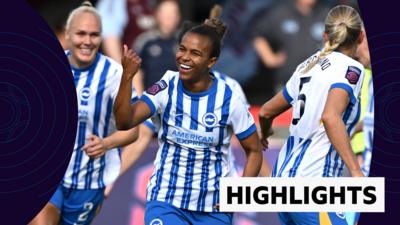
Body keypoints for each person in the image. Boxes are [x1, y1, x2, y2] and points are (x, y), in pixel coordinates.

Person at [114, 5, 264, 225]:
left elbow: (254, 150)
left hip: (212, 208)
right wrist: (127, 77)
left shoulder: (229, 98)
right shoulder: (166, 85)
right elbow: (124, 121)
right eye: (182, 49)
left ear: (211, 62)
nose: (184, 58)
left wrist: (237, 196)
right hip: (167, 201)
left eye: (195, 53)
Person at [29, 2, 138, 225]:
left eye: (94, 35)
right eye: (80, 34)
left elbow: (132, 131)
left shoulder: (114, 74)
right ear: (67, 34)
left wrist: (106, 143)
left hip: (90, 181)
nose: (87, 41)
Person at [258, 5, 365, 225]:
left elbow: (266, 111)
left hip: (283, 182)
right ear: (360, 36)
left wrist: (266, 131)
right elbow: (330, 117)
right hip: (314, 184)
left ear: (325, 36)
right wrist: (356, 172)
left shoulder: (308, 65)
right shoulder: (351, 69)